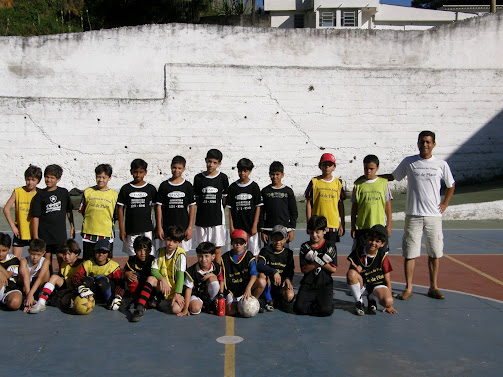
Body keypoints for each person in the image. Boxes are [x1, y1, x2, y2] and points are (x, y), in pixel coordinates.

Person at [383, 131, 455, 301]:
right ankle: (408, 288)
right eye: (422, 142)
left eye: (428, 142)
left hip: (433, 217)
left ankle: (433, 287)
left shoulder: (441, 164)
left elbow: (451, 185)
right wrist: (372, 176)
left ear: (434, 144)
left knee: (435, 253)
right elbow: (394, 177)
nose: (425, 145)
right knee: (409, 253)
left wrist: (445, 204)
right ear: (418, 143)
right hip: (413, 215)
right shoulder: (409, 162)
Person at [130, 225, 187, 321]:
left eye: (175, 241)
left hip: (175, 288)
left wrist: (177, 293)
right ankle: (139, 308)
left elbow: (180, 276)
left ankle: (165, 300)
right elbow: (154, 270)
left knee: (176, 309)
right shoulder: (159, 252)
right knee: (151, 279)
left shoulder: (180, 255)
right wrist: (162, 279)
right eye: (169, 240)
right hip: (163, 286)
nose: (170, 244)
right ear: (164, 238)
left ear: (180, 243)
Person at [30, 164, 75, 269]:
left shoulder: (64, 193)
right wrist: (36, 236)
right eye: (47, 177)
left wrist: (72, 226)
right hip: (44, 234)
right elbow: (35, 217)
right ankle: (47, 281)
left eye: (52, 177)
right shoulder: (39, 195)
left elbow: (69, 210)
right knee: (46, 259)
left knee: (61, 257)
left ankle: (62, 280)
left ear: (58, 179)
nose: (48, 180)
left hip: (59, 234)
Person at [347, 226, 397, 316]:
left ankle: (372, 298)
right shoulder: (358, 252)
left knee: (388, 301)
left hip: (377, 285)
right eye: (371, 240)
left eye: (377, 241)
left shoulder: (382, 257)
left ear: (382, 244)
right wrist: (355, 269)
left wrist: (389, 305)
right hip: (363, 284)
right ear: (366, 239)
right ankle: (359, 303)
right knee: (351, 274)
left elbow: (388, 280)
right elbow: (350, 274)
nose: (373, 243)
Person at [294, 216, 337, 317]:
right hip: (308, 284)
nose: (314, 235)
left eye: (318, 232)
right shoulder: (305, 247)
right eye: (311, 232)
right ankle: (316, 303)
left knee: (326, 311)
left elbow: (333, 269)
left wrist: (315, 259)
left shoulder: (330, 246)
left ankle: (324, 303)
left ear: (324, 231)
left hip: (324, 284)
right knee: (298, 308)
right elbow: (304, 270)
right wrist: (319, 261)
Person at [193, 149, 229, 264]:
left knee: (217, 249)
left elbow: (224, 199)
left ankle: (218, 273)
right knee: (202, 249)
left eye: (214, 162)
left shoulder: (223, 178)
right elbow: (197, 199)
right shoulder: (198, 178)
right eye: (209, 161)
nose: (211, 165)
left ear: (219, 164)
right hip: (202, 219)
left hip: (217, 219)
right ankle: (202, 274)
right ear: (205, 161)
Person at [28, 239, 83, 313]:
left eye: (69, 254)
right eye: (64, 254)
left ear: (76, 254)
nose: (66, 257)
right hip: (68, 288)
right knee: (54, 277)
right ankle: (41, 302)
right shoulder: (64, 264)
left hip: (78, 290)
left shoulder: (82, 265)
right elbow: (62, 280)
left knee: (65, 301)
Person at [351, 154, 392, 251]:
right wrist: (353, 227)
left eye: (371, 168)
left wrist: (389, 226)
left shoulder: (384, 184)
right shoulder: (358, 185)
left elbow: (388, 206)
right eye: (366, 168)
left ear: (377, 168)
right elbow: (354, 209)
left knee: (379, 257)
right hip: (362, 228)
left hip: (379, 227)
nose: (368, 171)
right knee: (360, 256)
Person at [117, 158, 157, 256]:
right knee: (133, 255)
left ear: (145, 172)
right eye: (135, 172)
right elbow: (120, 209)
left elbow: (156, 209)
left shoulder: (151, 189)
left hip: (147, 228)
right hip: (131, 229)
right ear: (131, 172)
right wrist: (121, 229)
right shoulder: (126, 189)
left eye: (141, 172)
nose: (138, 175)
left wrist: (157, 227)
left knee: (149, 255)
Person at [220, 229, 265, 316]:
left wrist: (248, 288)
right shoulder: (225, 257)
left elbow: (254, 274)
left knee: (262, 282)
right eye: (235, 241)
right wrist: (221, 294)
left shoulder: (248, 255)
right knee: (231, 311)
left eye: (241, 242)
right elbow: (222, 277)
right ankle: (241, 305)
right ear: (232, 243)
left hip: (246, 287)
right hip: (232, 290)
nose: (238, 244)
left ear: (245, 243)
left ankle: (253, 302)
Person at [156, 155, 195, 252]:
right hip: (167, 228)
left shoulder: (188, 186)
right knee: (165, 255)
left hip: (183, 228)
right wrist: (159, 227)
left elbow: (192, 207)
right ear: (171, 167)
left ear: (184, 169)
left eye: (179, 168)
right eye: (174, 167)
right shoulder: (164, 185)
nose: (176, 170)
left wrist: (190, 227)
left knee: (182, 255)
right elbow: (159, 207)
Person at [79, 164, 118, 260]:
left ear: (109, 178)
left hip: (106, 233)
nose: (101, 180)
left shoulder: (114, 195)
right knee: (88, 260)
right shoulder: (88, 192)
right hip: (89, 232)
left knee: (105, 261)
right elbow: (82, 210)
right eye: (98, 177)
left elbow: (116, 215)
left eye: (104, 177)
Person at [71, 239, 124, 310]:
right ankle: (88, 300)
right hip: (92, 292)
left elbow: (120, 283)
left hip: (106, 289)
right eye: (98, 251)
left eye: (104, 252)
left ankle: (109, 300)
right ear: (94, 251)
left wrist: (118, 296)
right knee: (87, 280)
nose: (101, 254)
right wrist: (80, 287)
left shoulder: (113, 266)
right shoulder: (87, 264)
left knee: (101, 280)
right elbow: (76, 277)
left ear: (108, 253)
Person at [304, 153, 345, 243]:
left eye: (330, 165)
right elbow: (308, 203)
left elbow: (341, 204)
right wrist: (309, 223)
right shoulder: (314, 182)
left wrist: (342, 223)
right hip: (317, 225)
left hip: (333, 224)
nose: (327, 167)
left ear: (334, 167)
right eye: (324, 164)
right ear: (320, 166)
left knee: (330, 253)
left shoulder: (338, 183)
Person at [3, 165, 42, 258]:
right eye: (28, 179)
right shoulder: (18, 191)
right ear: (25, 178)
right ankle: (16, 273)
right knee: (16, 258)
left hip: (35, 230)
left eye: (33, 180)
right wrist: (13, 226)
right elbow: (6, 209)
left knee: (36, 257)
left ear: (38, 181)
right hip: (20, 230)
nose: (30, 182)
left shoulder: (40, 193)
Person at [227, 158, 262, 256]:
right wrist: (231, 228)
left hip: (251, 227)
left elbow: (258, 207)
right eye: (240, 170)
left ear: (250, 171)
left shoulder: (254, 187)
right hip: (238, 227)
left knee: (254, 253)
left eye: (245, 171)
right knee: (238, 253)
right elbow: (230, 210)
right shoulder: (233, 187)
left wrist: (255, 225)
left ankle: (253, 271)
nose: (242, 173)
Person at [257, 225, 295, 312]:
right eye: (275, 239)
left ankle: (275, 301)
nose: (278, 242)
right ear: (271, 239)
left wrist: (288, 279)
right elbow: (259, 265)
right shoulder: (265, 251)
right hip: (268, 284)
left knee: (290, 296)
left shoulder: (288, 253)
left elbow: (290, 270)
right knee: (262, 275)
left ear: (285, 239)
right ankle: (268, 300)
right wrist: (273, 272)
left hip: (280, 284)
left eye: (280, 239)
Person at [178, 241, 222, 316]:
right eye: (201, 256)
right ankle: (202, 305)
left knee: (213, 279)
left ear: (213, 257)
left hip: (210, 294)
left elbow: (222, 281)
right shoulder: (191, 271)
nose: (203, 259)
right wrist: (185, 309)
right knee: (195, 309)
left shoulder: (217, 267)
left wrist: (221, 296)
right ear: (197, 256)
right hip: (197, 294)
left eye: (206, 256)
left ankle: (212, 302)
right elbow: (188, 290)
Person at [260, 161, 298, 245]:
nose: (275, 177)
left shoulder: (288, 191)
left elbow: (293, 211)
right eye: (273, 174)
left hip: (284, 230)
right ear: (269, 174)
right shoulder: (265, 191)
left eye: (277, 174)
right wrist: (262, 230)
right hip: (269, 230)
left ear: (282, 175)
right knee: (269, 255)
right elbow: (261, 212)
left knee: (283, 255)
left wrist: (292, 229)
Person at [123, 235, 154, 316]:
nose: (143, 253)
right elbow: (122, 273)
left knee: (154, 304)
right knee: (132, 276)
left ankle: (147, 300)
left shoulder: (153, 261)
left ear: (150, 250)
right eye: (139, 250)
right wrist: (126, 274)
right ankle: (136, 299)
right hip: (137, 289)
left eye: (145, 250)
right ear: (135, 250)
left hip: (150, 290)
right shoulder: (132, 261)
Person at [18, 239, 51, 312]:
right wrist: (28, 295)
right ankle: (26, 297)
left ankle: (41, 294)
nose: (35, 257)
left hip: (38, 284)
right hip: (26, 285)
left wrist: (30, 294)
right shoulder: (24, 261)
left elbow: (40, 278)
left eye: (38, 254)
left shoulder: (45, 261)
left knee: (46, 272)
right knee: (23, 272)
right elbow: (25, 278)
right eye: (33, 254)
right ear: (29, 251)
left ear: (43, 253)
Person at [0, 233, 23, 310]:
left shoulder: (13, 260)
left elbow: (7, 275)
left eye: (4, 250)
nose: (0, 254)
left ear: (9, 249)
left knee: (15, 303)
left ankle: (6, 300)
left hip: (9, 287)